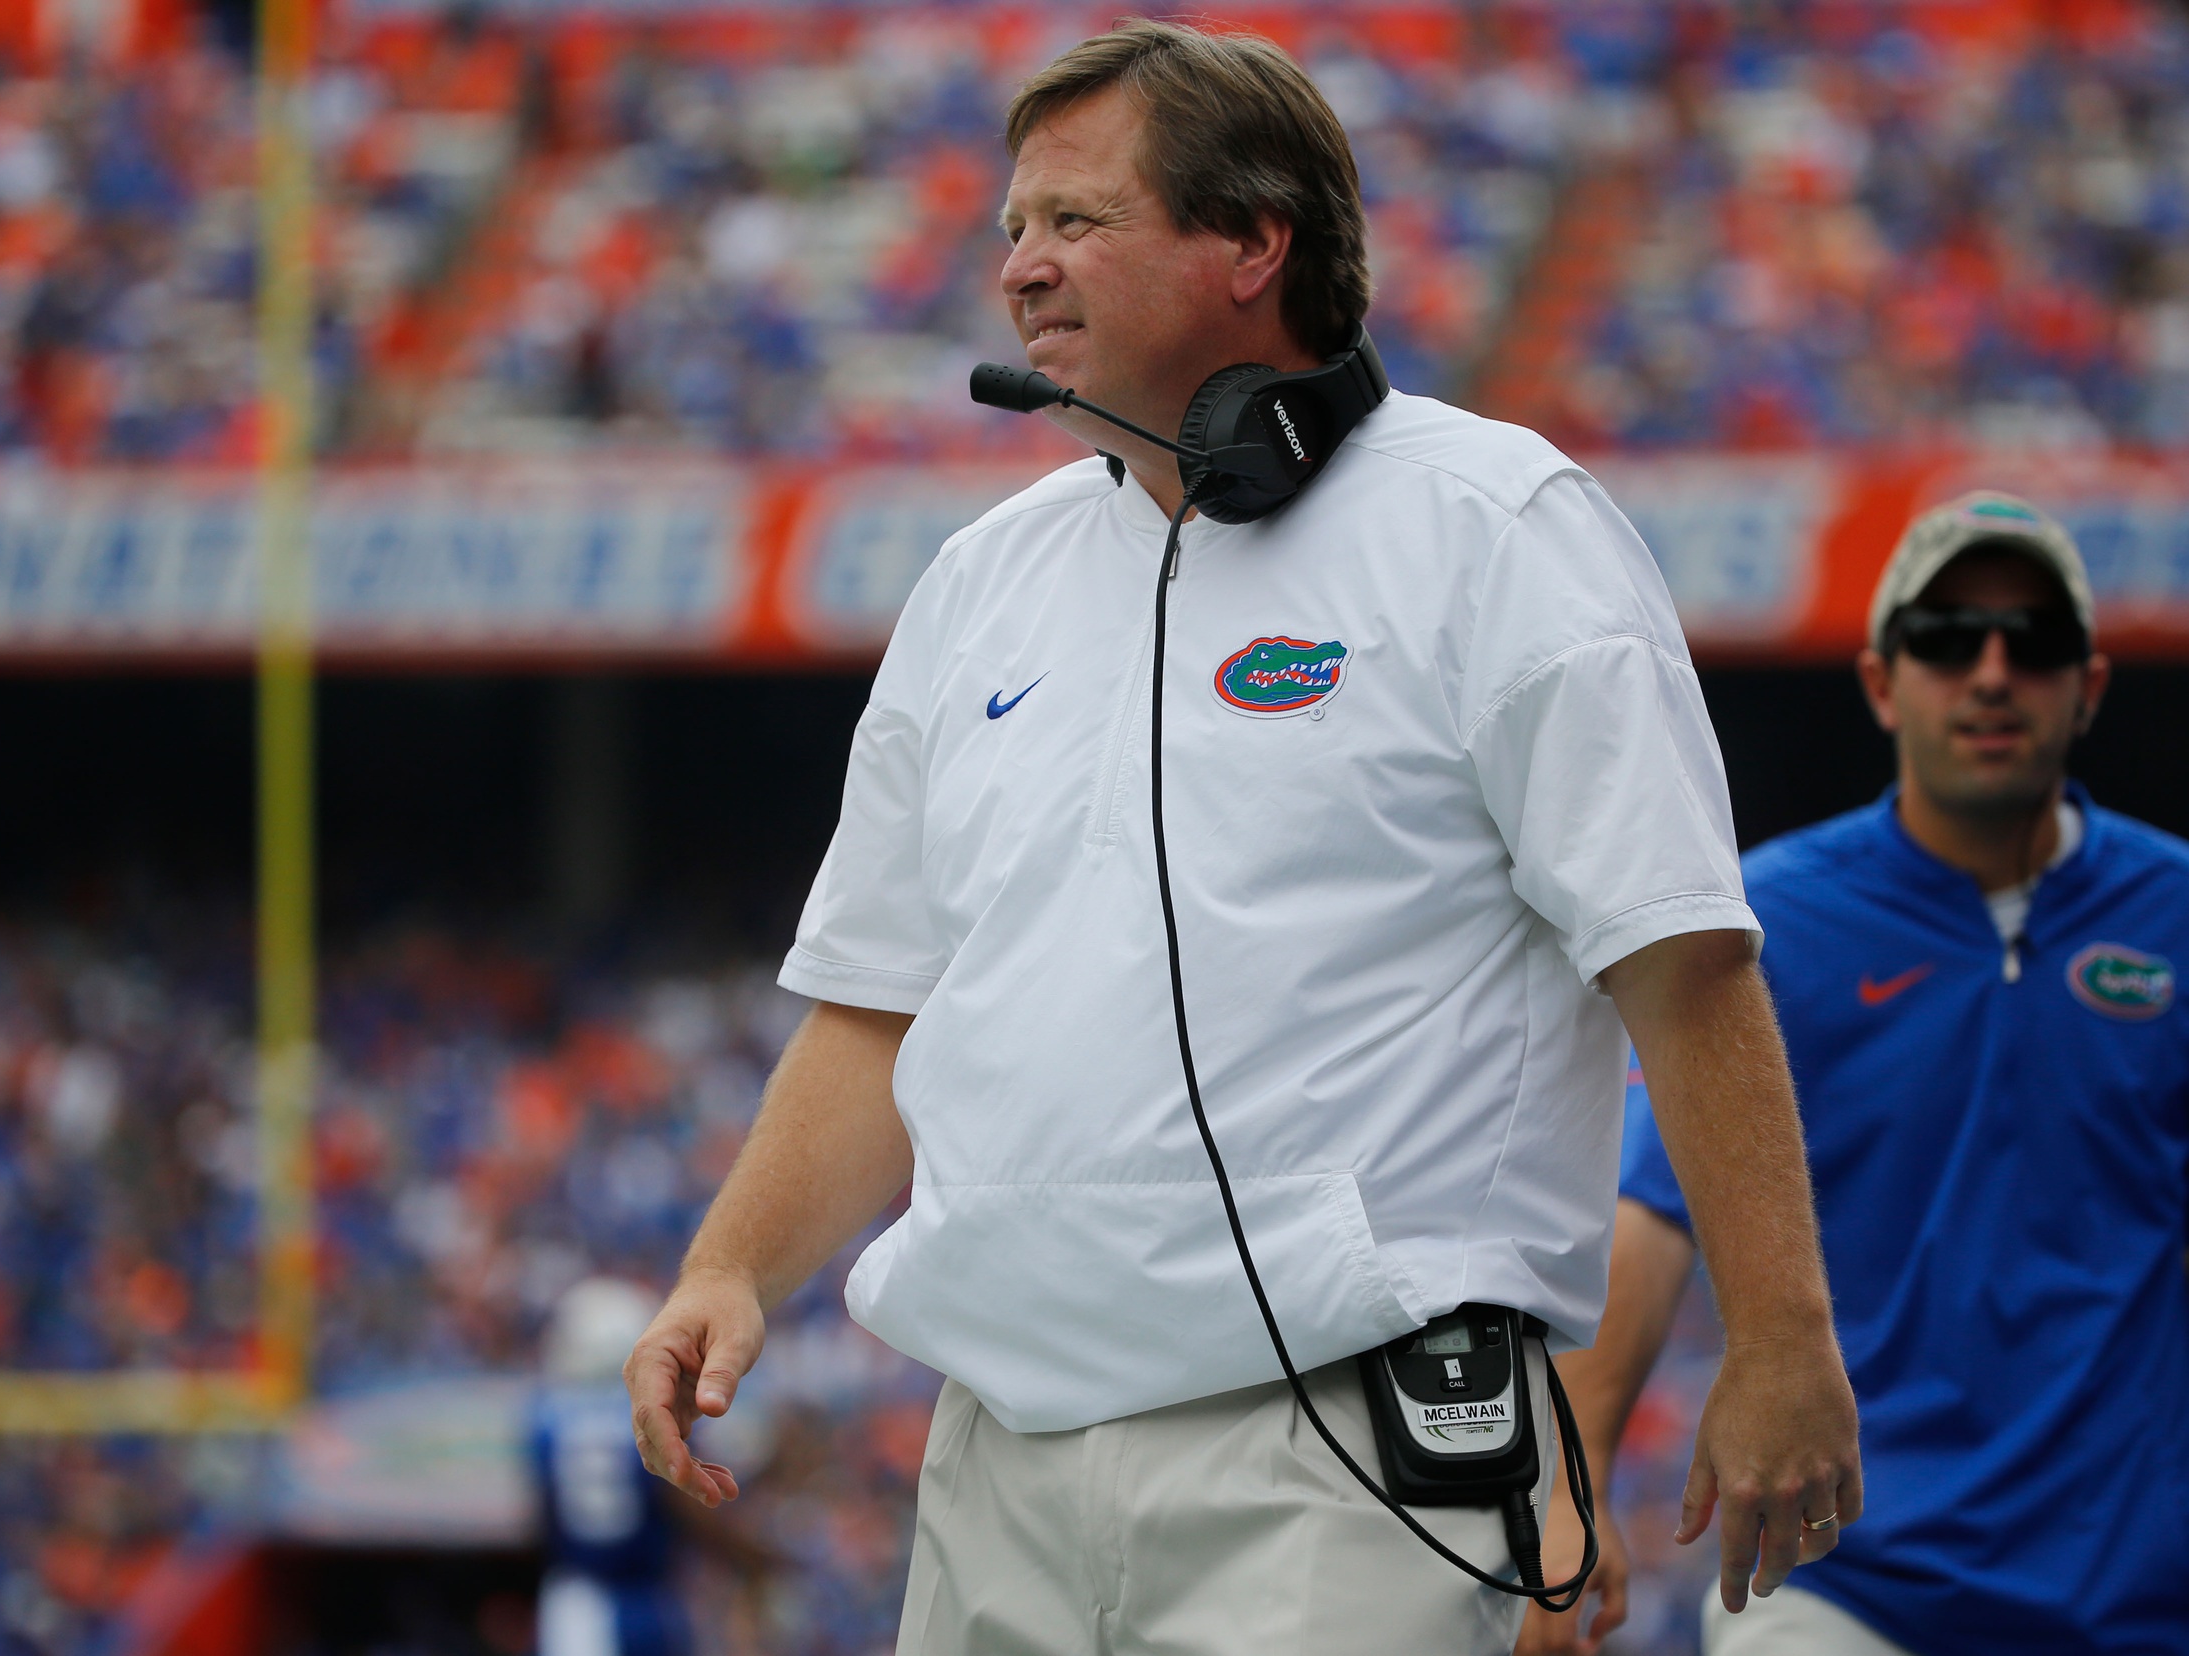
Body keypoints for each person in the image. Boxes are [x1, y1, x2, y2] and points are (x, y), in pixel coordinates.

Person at [627, 21, 1859, 1654]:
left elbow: (1682, 964)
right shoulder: (977, 583)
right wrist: (733, 1263)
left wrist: (1777, 1336)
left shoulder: (1495, 528)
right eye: (1009, 227)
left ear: (1251, 242)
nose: (1020, 267)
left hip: (1348, 1455)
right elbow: (879, 1004)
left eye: (1075, 220)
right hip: (1000, 1449)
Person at [1517, 492, 2189, 1656]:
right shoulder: (1767, 922)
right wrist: (1566, 1491)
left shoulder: (2176, 915)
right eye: (1943, 638)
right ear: (1881, 681)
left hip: (2136, 1589)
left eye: (2030, 644)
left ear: (2088, 687)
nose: (1988, 673)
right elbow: (1648, 1215)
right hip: (1842, 1574)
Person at [534, 1278, 691, 1656]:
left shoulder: (544, 1417)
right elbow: (684, 1498)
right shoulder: (651, 1414)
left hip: (575, 1606)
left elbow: (542, 1516)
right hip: (645, 1599)